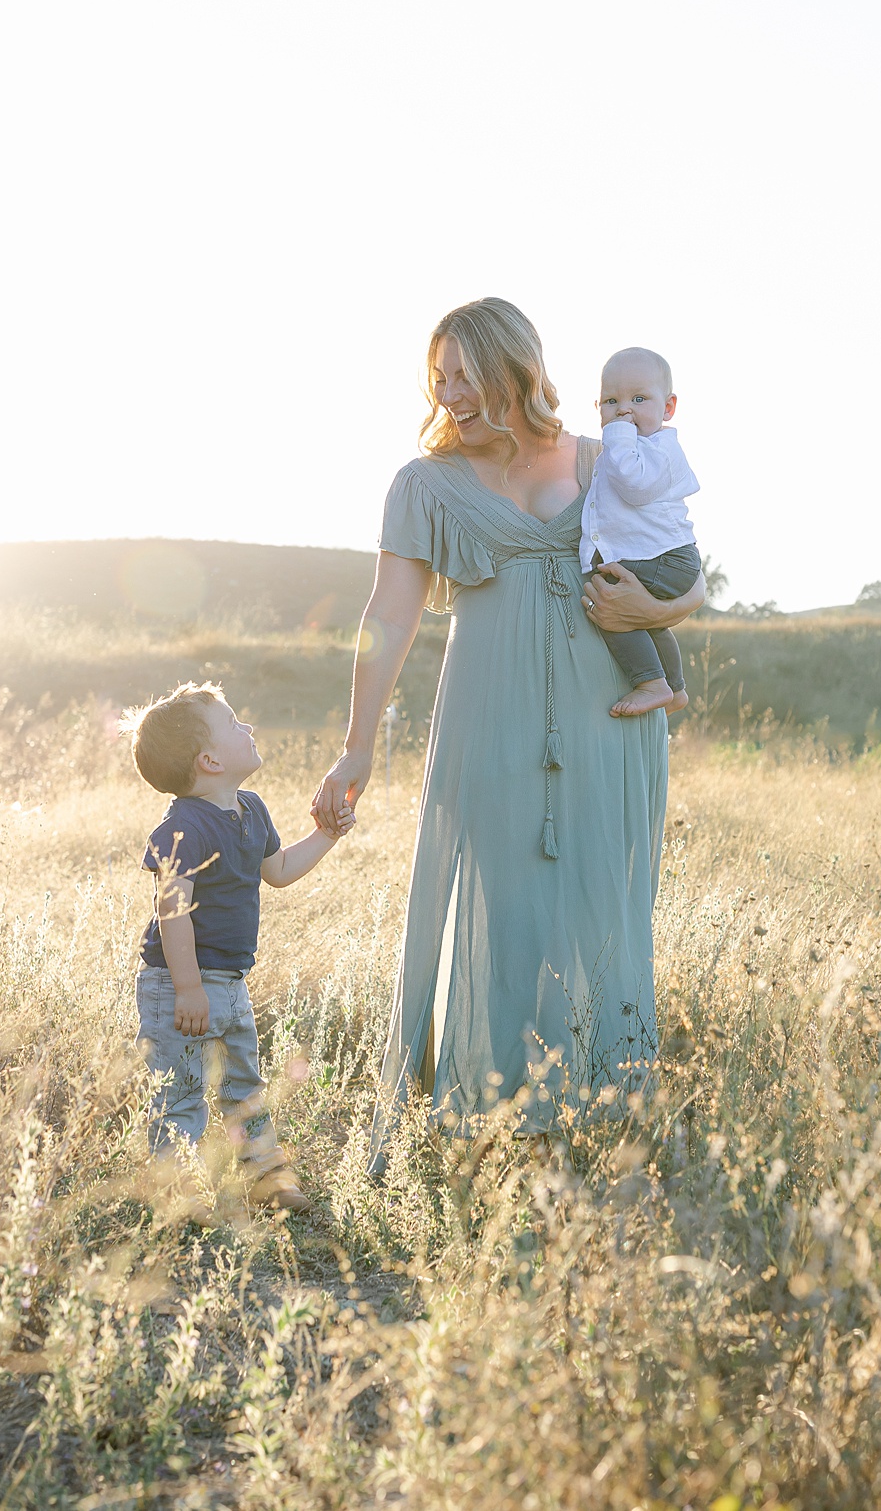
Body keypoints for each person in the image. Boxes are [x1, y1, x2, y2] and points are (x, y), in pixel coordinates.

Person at [311, 298, 706, 1167]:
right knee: (504, 898)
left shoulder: (609, 460)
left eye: (466, 373)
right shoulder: (424, 484)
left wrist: (656, 606)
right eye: (438, 376)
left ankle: (604, 1111)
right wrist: (358, 741)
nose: (450, 392)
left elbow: (687, 577)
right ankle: (496, 1116)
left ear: (518, 370)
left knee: (603, 904)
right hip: (489, 714)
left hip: (610, 715)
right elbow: (387, 617)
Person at [128, 681, 350, 1211]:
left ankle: (265, 1181)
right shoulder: (183, 826)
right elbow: (171, 907)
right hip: (177, 983)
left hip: (229, 981)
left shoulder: (251, 810)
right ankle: (175, 1193)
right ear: (208, 759)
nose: (246, 727)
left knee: (245, 1086)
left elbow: (277, 871)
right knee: (180, 1089)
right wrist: (187, 989)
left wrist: (327, 834)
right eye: (233, 723)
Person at [583, 346, 701, 718]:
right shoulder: (626, 450)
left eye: (638, 399)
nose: (623, 410)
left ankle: (651, 682)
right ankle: (675, 688)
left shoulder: (658, 450)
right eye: (611, 401)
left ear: (668, 407)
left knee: (608, 599)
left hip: (670, 559)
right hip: (659, 557)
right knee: (642, 621)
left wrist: (617, 434)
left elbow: (634, 486)